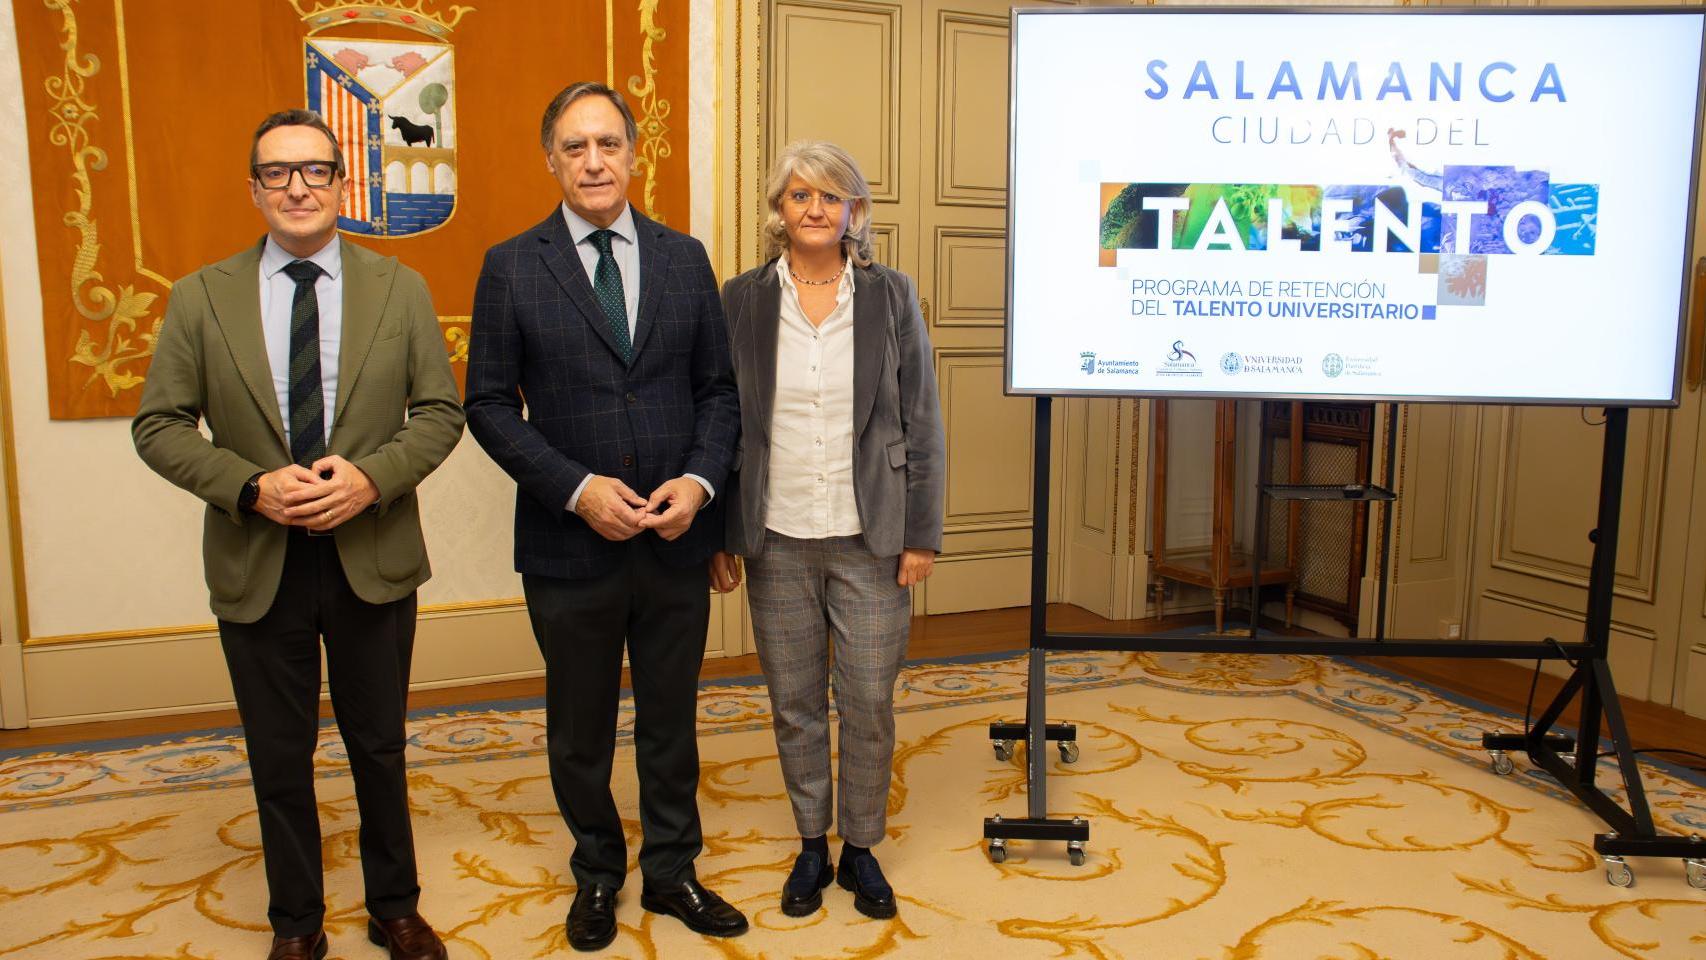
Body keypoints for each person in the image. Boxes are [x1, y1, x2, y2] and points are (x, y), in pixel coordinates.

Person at [132, 109, 463, 960]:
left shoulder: (400, 288)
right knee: (278, 755)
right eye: (277, 173)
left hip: (372, 557)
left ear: (342, 183)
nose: (297, 187)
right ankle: (297, 922)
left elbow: (439, 412)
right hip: (258, 560)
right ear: (254, 190)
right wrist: (249, 487)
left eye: (315, 169)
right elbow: (159, 426)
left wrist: (372, 478)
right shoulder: (201, 296)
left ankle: (395, 906)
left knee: (379, 747)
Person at [463, 82, 744, 951]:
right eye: (576, 147)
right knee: (579, 729)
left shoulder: (684, 258)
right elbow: (487, 405)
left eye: (609, 144)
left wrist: (700, 484)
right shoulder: (513, 265)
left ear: (634, 154)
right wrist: (576, 488)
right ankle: (596, 872)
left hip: (673, 538)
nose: (594, 162)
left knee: (671, 721)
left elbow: (717, 391)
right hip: (568, 545)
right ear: (550, 158)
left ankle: (672, 871)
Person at [709, 140, 945, 920]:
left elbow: (922, 419)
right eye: (799, 195)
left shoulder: (891, 295)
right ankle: (812, 842)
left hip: (870, 534)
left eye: (830, 196)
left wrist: (921, 534)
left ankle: (862, 847)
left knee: (869, 699)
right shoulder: (741, 299)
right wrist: (720, 533)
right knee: (795, 701)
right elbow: (722, 420)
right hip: (774, 532)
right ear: (779, 211)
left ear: (855, 211)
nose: (815, 208)